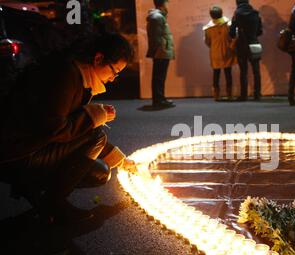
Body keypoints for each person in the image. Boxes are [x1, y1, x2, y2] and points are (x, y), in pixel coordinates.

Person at [0, 32, 137, 224]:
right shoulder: (66, 76)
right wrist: (92, 117)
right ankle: (52, 204)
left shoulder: (78, 75)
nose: (113, 79)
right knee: (96, 141)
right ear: (98, 58)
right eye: (114, 71)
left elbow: (77, 129)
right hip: (19, 153)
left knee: (99, 172)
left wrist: (120, 160)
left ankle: (35, 191)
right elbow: (55, 129)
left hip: (29, 147)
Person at [229, 0, 263, 102]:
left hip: (242, 45)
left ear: (237, 2)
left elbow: (232, 33)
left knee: (243, 71)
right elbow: (260, 31)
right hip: (254, 43)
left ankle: (243, 95)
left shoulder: (237, 14)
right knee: (256, 71)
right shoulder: (256, 13)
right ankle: (257, 95)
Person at [203, 6, 237, 102]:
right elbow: (233, 37)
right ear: (221, 13)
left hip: (215, 53)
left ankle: (216, 95)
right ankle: (229, 94)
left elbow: (207, 42)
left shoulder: (207, 28)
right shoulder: (228, 24)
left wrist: (214, 47)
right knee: (228, 73)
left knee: (216, 74)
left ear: (211, 16)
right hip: (227, 51)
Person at [146, 0, 175, 108]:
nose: (168, 5)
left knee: (160, 77)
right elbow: (155, 37)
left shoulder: (158, 16)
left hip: (162, 50)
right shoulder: (157, 17)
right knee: (159, 77)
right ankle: (158, 100)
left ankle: (160, 98)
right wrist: (157, 50)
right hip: (161, 51)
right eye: (167, 3)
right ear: (163, 4)